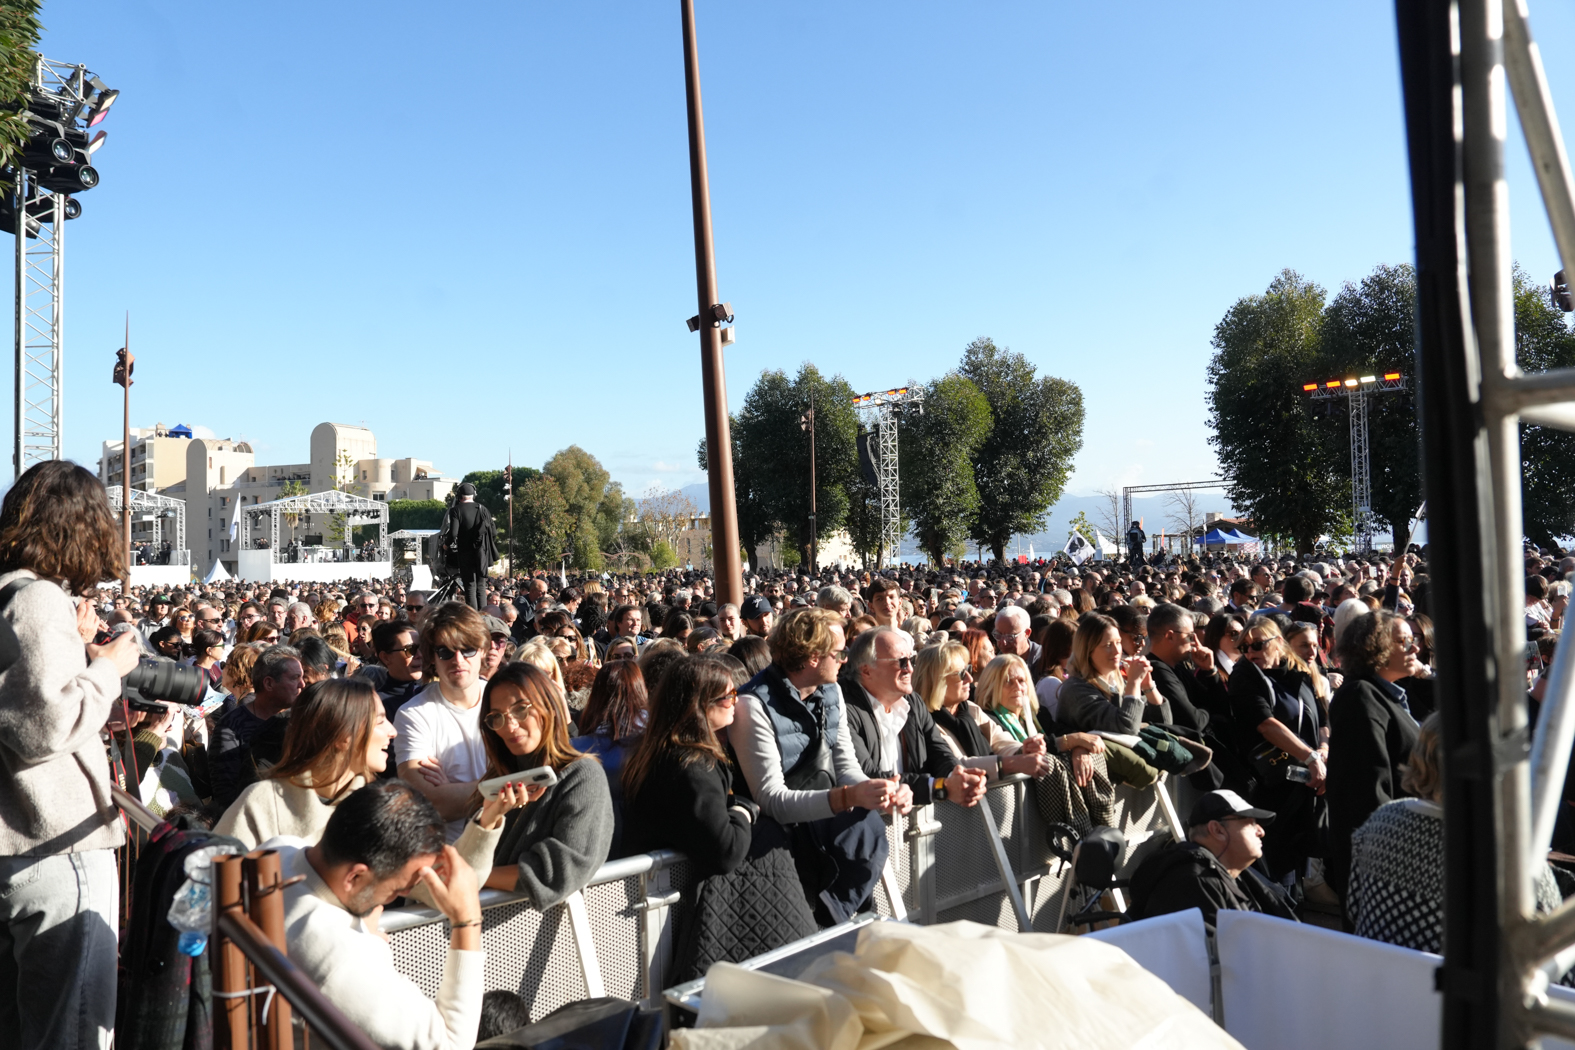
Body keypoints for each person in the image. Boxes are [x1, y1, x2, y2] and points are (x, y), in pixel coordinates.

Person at [0, 460, 142, 1050]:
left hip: (18, 847)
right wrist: (108, 668)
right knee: (74, 1030)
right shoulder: (35, 598)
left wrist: (78, 651)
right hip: (56, 844)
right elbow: (43, 728)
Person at [274, 781, 486, 1050]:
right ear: (355, 876)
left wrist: (364, 932)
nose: (397, 897)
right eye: (399, 888)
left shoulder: (277, 849)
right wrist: (468, 920)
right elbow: (452, 1044)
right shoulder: (339, 959)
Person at [729, 607, 897, 926]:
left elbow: (846, 766)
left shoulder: (832, 691)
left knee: (866, 826)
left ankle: (831, 917)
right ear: (812, 658)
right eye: (838, 652)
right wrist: (846, 798)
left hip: (823, 821)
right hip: (780, 840)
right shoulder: (752, 706)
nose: (845, 658)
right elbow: (771, 799)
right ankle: (823, 922)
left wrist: (870, 791)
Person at [472, 663, 615, 908]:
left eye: (520, 709)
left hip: (540, 937)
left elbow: (560, 873)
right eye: (497, 717)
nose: (509, 725)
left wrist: (472, 878)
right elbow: (468, 857)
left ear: (547, 705)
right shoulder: (495, 780)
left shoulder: (582, 776)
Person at [1325, 609, 1424, 898]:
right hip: (1384, 863)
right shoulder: (1360, 698)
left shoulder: (1385, 694)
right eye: (1404, 640)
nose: (1414, 647)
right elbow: (1366, 791)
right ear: (1375, 647)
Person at [838, 626, 987, 810]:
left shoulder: (912, 701)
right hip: (868, 824)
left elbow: (938, 750)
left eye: (911, 659)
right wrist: (939, 787)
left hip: (913, 826)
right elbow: (866, 774)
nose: (909, 668)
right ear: (867, 670)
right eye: (901, 662)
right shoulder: (843, 708)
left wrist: (956, 775)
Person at [1227, 620, 1326, 884]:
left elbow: (1323, 721)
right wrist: (1311, 757)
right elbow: (1265, 725)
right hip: (1270, 786)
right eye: (1245, 647)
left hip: (1305, 782)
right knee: (1277, 871)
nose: (1250, 652)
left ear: (1278, 643)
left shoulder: (1300, 673)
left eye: (1258, 645)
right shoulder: (1245, 675)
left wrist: (1324, 750)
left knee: (1300, 863)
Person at [1127, 789, 1299, 928]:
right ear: (1217, 830)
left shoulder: (1232, 875)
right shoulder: (1194, 881)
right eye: (1250, 823)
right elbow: (1209, 960)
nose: (1261, 831)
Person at [397, 602, 493, 841]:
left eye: (467, 649)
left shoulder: (504, 700)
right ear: (432, 657)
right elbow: (431, 803)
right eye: (445, 652)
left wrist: (456, 790)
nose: (458, 660)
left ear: (482, 650)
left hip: (508, 849)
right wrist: (504, 782)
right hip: (449, 856)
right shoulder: (413, 714)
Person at [209, 645, 305, 809]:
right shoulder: (231, 726)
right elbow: (225, 795)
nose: (302, 684)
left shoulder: (301, 720)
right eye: (294, 678)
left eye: (302, 677)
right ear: (268, 683)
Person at [570, 659, 648, 853]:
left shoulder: (575, 748)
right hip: (645, 849)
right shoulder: (655, 743)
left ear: (597, 694)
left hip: (595, 847)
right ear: (641, 689)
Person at [1056, 613, 1162, 734]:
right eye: (1108, 645)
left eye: (1118, 642)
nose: (1117, 651)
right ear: (1088, 650)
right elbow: (1127, 727)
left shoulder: (1118, 682)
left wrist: (1148, 686)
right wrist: (1134, 682)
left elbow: (1163, 721)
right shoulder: (1076, 689)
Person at [440, 483, 499, 609]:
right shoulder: (483, 509)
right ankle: (483, 616)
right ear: (474, 495)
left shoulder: (456, 510)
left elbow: (453, 533)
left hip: (465, 553)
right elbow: (493, 532)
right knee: (481, 586)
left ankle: (474, 616)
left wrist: (446, 545)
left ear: (460, 496)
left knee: (470, 586)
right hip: (482, 553)